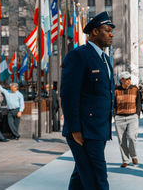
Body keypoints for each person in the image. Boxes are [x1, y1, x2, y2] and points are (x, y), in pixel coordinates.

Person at [61, 11, 115, 190]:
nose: (111, 34)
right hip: (85, 131)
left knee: (82, 176)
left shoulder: (105, 59)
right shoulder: (79, 55)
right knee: (97, 178)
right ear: (94, 32)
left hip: (99, 129)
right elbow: (69, 94)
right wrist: (75, 128)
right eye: (107, 30)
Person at [114, 71, 141, 168]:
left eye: (129, 79)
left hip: (132, 117)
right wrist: (115, 115)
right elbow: (113, 104)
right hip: (119, 118)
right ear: (121, 80)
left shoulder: (135, 89)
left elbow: (138, 102)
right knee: (122, 140)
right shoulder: (116, 90)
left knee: (131, 137)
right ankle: (125, 160)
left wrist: (137, 114)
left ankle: (134, 155)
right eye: (126, 79)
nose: (128, 81)